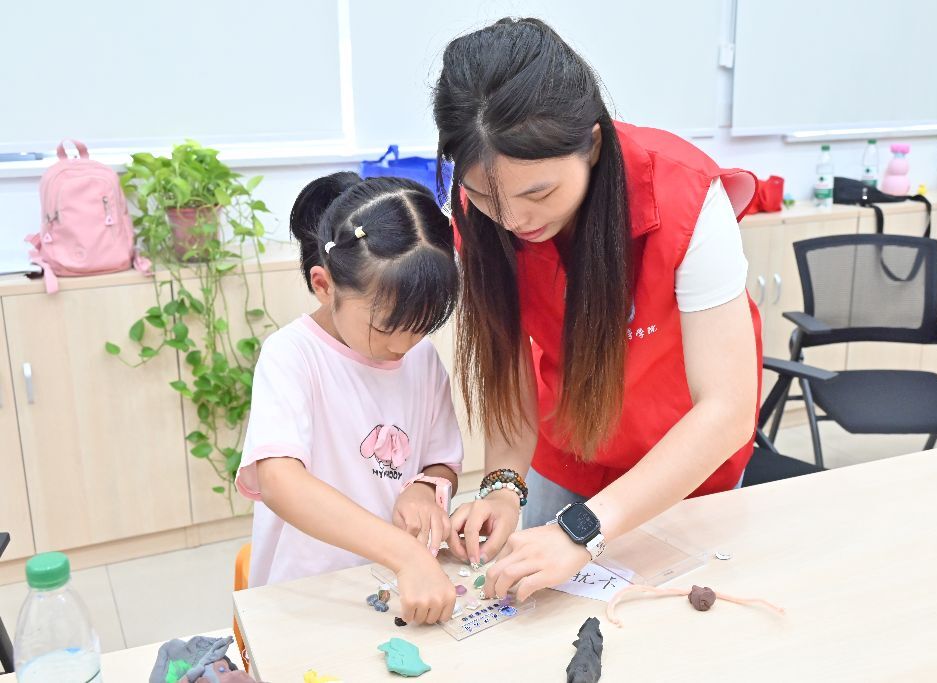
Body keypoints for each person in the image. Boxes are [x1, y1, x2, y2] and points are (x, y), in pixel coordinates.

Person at [434, 18, 762, 601]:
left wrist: (583, 529)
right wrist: (503, 485)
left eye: (539, 193)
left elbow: (728, 409)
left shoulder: (685, 198)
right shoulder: (480, 216)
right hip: (569, 453)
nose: (513, 220)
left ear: (591, 143)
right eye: (485, 197)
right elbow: (508, 365)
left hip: (685, 466)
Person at [235, 172, 463, 624]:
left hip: (392, 584)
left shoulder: (421, 358)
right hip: (309, 594)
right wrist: (405, 553)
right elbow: (280, 481)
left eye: (420, 327)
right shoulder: (292, 355)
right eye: (385, 328)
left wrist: (424, 489)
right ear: (324, 285)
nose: (402, 345)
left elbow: (442, 462)